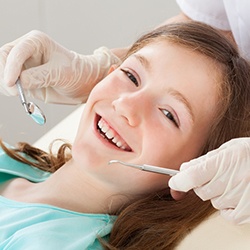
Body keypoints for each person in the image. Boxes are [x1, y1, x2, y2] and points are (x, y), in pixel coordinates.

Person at [0, 21, 250, 249]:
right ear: (108, 74)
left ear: (197, 172)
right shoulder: (11, 164)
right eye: (131, 76)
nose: (127, 105)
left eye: (168, 114)